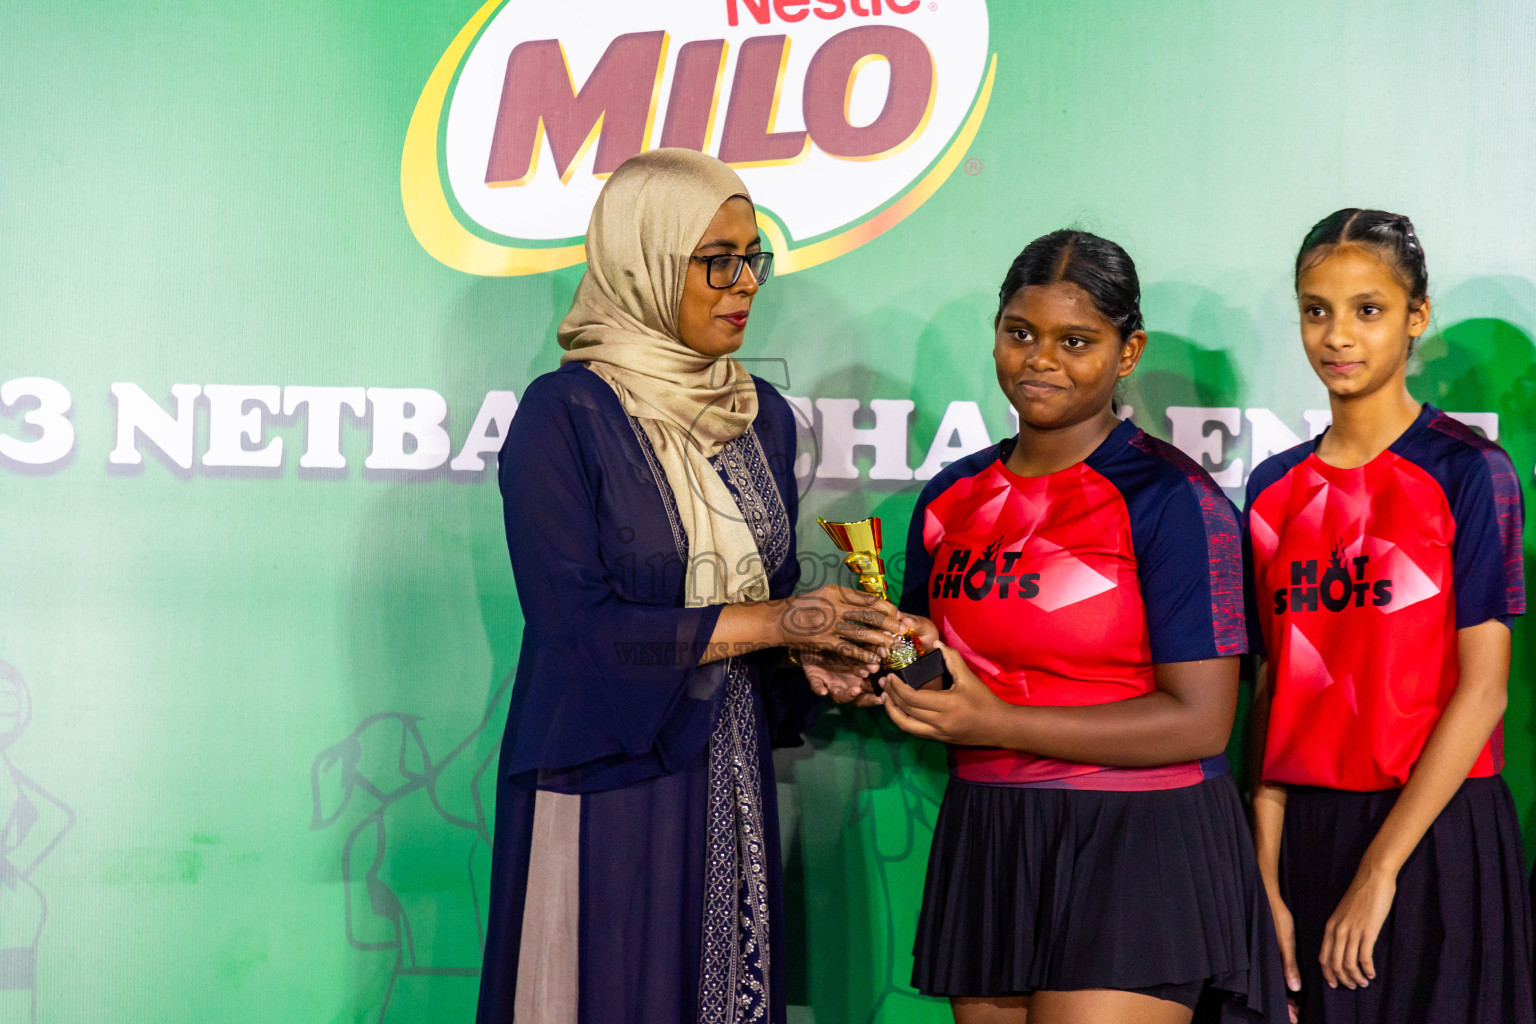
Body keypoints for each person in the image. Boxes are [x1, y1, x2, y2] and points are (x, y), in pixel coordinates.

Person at [474, 149, 902, 1024]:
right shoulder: (566, 417)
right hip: (606, 777)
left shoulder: (761, 417)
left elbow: (758, 616)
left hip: (728, 774)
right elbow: (580, 634)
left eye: (755, 258)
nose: (745, 283)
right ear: (647, 260)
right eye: (717, 260)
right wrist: (782, 619)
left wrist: (812, 659)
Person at [879, 230, 1287, 1023]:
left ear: (1128, 351)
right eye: (1020, 333)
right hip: (992, 834)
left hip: (1138, 842)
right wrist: (874, 668)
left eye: (1076, 342)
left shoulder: (1173, 500)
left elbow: (1201, 722)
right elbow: (932, 661)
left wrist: (994, 719)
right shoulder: (951, 497)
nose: (1039, 360)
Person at [1244, 209, 1534, 1023]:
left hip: (1436, 837)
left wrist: (1381, 872)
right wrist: (1262, 878)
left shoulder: (1468, 472)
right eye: (1316, 309)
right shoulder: (1271, 489)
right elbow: (1270, 695)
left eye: (1367, 310)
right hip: (1304, 836)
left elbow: (1484, 693)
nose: (1337, 336)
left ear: (1416, 317)